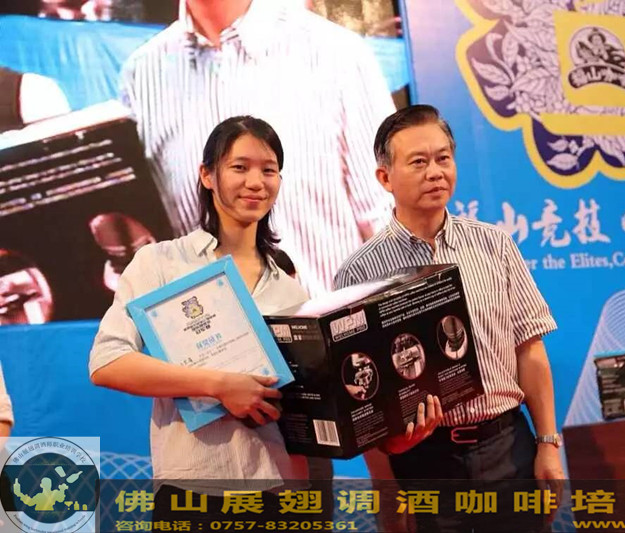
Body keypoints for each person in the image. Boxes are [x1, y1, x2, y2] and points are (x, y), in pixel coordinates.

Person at [334, 105, 565, 532]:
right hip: (423, 461)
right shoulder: (359, 273)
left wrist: (548, 444)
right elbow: (362, 399)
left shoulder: (494, 245)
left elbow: (530, 348)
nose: (435, 172)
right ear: (384, 177)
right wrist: (387, 485)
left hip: (507, 448)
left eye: (443, 158)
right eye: (418, 162)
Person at [89, 116, 311, 523]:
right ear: (207, 175)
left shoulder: (291, 292)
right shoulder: (162, 262)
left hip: (280, 492)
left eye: (269, 170)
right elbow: (107, 363)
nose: (256, 182)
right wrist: (218, 385)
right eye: (240, 167)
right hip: (193, 491)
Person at [119, 0, 395, 298]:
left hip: (336, 320)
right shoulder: (143, 73)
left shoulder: (336, 53)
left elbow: (387, 223)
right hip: (212, 324)